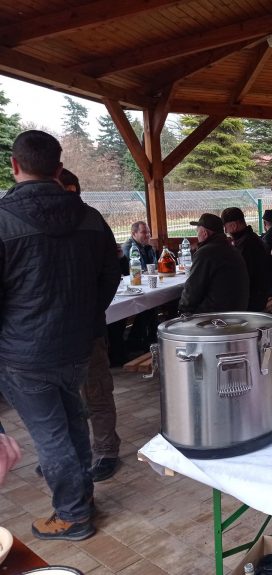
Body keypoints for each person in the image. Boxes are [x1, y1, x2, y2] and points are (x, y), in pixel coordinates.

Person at [0, 130, 121, 540]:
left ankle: (71, 514)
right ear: (59, 168)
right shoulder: (89, 216)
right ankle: (81, 499)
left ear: (15, 165)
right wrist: (88, 314)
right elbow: (111, 274)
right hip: (77, 346)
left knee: (52, 436)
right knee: (72, 424)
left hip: (24, 353)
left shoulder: (2, 219)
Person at [59, 169, 122, 482]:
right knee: (63, 398)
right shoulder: (38, 220)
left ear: (71, 188)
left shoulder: (91, 220)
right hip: (50, 333)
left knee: (95, 391)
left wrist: (92, 309)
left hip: (87, 329)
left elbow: (112, 271)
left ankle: (107, 450)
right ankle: (65, 453)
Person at [179, 213, 249, 314]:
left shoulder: (205, 253)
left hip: (215, 316)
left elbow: (192, 291)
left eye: (197, 231)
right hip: (238, 312)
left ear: (204, 233)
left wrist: (181, 311)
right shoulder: (232, 249)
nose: (197, 235)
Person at [221, 206, 271, 312]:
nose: (225, 231)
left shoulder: (246, 245)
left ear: (234, 226)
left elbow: (241, 276)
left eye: (225, 227)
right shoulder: (249, 239)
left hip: (250, 300)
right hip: (256, 295)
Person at [120, 220, 158, 352]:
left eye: (148, 232)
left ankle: (148, 338)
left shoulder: (146, 246)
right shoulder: (129, 248)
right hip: (131, 286)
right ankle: (137, 341)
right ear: (133, 234)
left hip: (143, 284)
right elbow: (137, 271)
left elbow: (154, 267)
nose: (148, 235)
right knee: (149, 303)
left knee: (154, 302)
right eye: (144, 232)